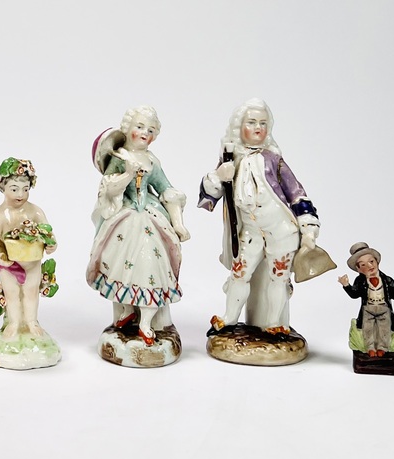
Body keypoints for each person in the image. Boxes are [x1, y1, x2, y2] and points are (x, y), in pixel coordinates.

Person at [198, 98, 321, 334]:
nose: (258, 128)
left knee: (279, 277)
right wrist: (218, 176)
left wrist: (308, 228)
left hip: (282, 230)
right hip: (251, 231)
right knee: (239, 274)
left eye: (263, 123)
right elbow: (209, 197)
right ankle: (229, 318)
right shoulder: (230, 159)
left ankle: (274, 323)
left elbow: (296, 192)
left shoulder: (273, 160)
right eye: (252, 122)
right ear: (239, 126)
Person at [86, 105, 190, 345]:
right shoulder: (119, 158)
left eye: (150, 130)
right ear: (127, 128)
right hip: (125, 216)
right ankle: (127, 309)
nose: (145, 133)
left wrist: (178, 222)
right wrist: (127, 174)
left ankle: (146, 321)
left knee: (150, 263)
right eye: (140, 127)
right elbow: (108, 188)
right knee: (118, 263)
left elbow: (165, 188)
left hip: (150, 215)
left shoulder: (152, 160)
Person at [0, 158, 56, 339]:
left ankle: (31, 321)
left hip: (32, 263)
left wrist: (50, 243)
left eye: (26, 189)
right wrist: (0, 256)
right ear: (3, 187)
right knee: (12, 294)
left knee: (31, 292)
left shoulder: (35, 212)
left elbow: (47, 230)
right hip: (9, 265)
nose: (21, 194)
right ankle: (14, 322)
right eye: (14, 189)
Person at [339, 242, 394, 357]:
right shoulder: (360, 281)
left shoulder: (387, 280)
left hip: (383, 308)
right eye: (363, 265)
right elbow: (354, 294)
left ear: (377, 262)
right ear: (358, 269)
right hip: (368, 308)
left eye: (371, 261)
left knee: (384, 329)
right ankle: (370, 348)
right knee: (367, 329)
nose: (369, 266)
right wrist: (346, 285)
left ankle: (382, 348)